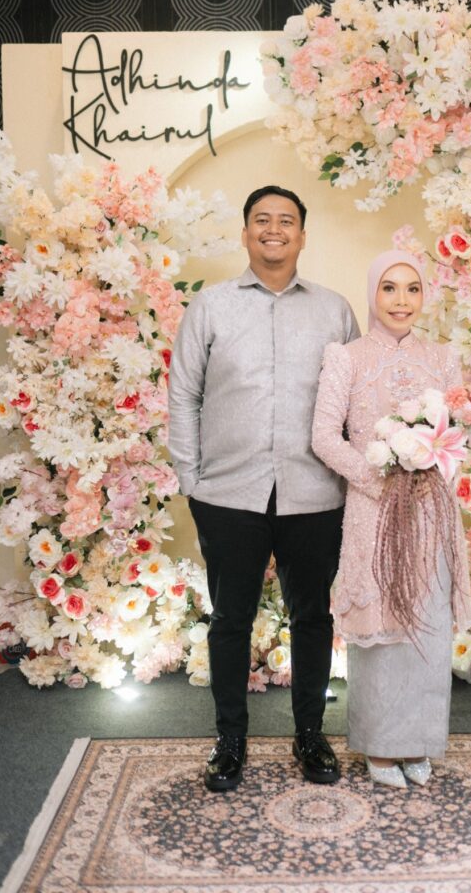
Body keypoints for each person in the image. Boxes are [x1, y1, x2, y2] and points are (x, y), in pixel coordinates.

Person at [168, 185, 360, 791]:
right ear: (246, 232)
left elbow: (355, 402)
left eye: (286, 220)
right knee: (230, 618)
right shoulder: (210, 307)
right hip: (228, 494)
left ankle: (310, 735)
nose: (273, 229)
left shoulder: (334, 311)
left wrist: (353, 477)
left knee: (313, 616)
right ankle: (230, 741)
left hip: (315, 492)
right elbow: (184, 393)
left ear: (302, 235)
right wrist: (192, 479)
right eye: (261, 219)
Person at [311, 250, 471, 788]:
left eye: (412, 288)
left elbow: (461, 433)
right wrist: (379, 477)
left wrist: (431, 463)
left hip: (430, 509)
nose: (401, 300)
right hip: (374, 509)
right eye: (389, 288)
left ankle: (418, 741)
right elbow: (323, 437)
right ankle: (381, 747)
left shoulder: (444, 358)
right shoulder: (348, 358)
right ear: (372, 294)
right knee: (382, 628)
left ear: (424, 295)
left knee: (426, 623)